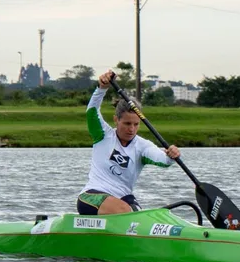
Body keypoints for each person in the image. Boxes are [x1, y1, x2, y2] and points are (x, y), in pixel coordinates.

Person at [76, 69, 181, 215]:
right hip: (91, 197)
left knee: (142, 215)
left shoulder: (142, 146)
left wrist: (171, 155)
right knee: (125, 210)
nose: (131, 129)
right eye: (127, 123)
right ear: (116, 120)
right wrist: (102, 89)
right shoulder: (103, 135)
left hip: (123, 199)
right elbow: (92, 111)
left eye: (136, 124)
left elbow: (163, 160)